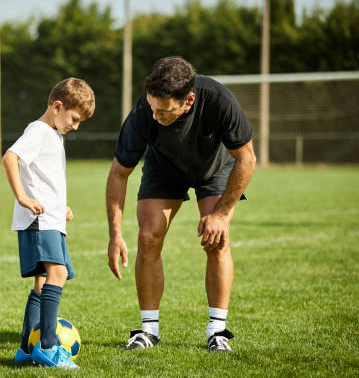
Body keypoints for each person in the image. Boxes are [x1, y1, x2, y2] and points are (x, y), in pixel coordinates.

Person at [106, 56, 256, 352]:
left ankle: (218, 331)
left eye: (163, 110)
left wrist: (222, 214)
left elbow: (247, 158)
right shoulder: (143, 113)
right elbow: (118, 173)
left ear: (188, 100)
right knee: (148, 236)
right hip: (164, 168)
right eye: (152, 106)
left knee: (218, 239)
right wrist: (115, 234)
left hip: (213, 167)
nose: (154, 114)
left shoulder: (218, 100)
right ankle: (148, 331)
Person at [2, 77, 95, 369]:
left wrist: (59, 206)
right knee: (57, 274)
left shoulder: (53, 134)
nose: (76, 126)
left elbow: (44, 177)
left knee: (42, 282)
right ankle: (48, 346)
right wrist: (22, 197)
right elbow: (10, 157)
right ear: (57, 106)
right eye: (74, 119)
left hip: (49, 218)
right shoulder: (40, 130)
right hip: (40, 221)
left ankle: (26, 349)